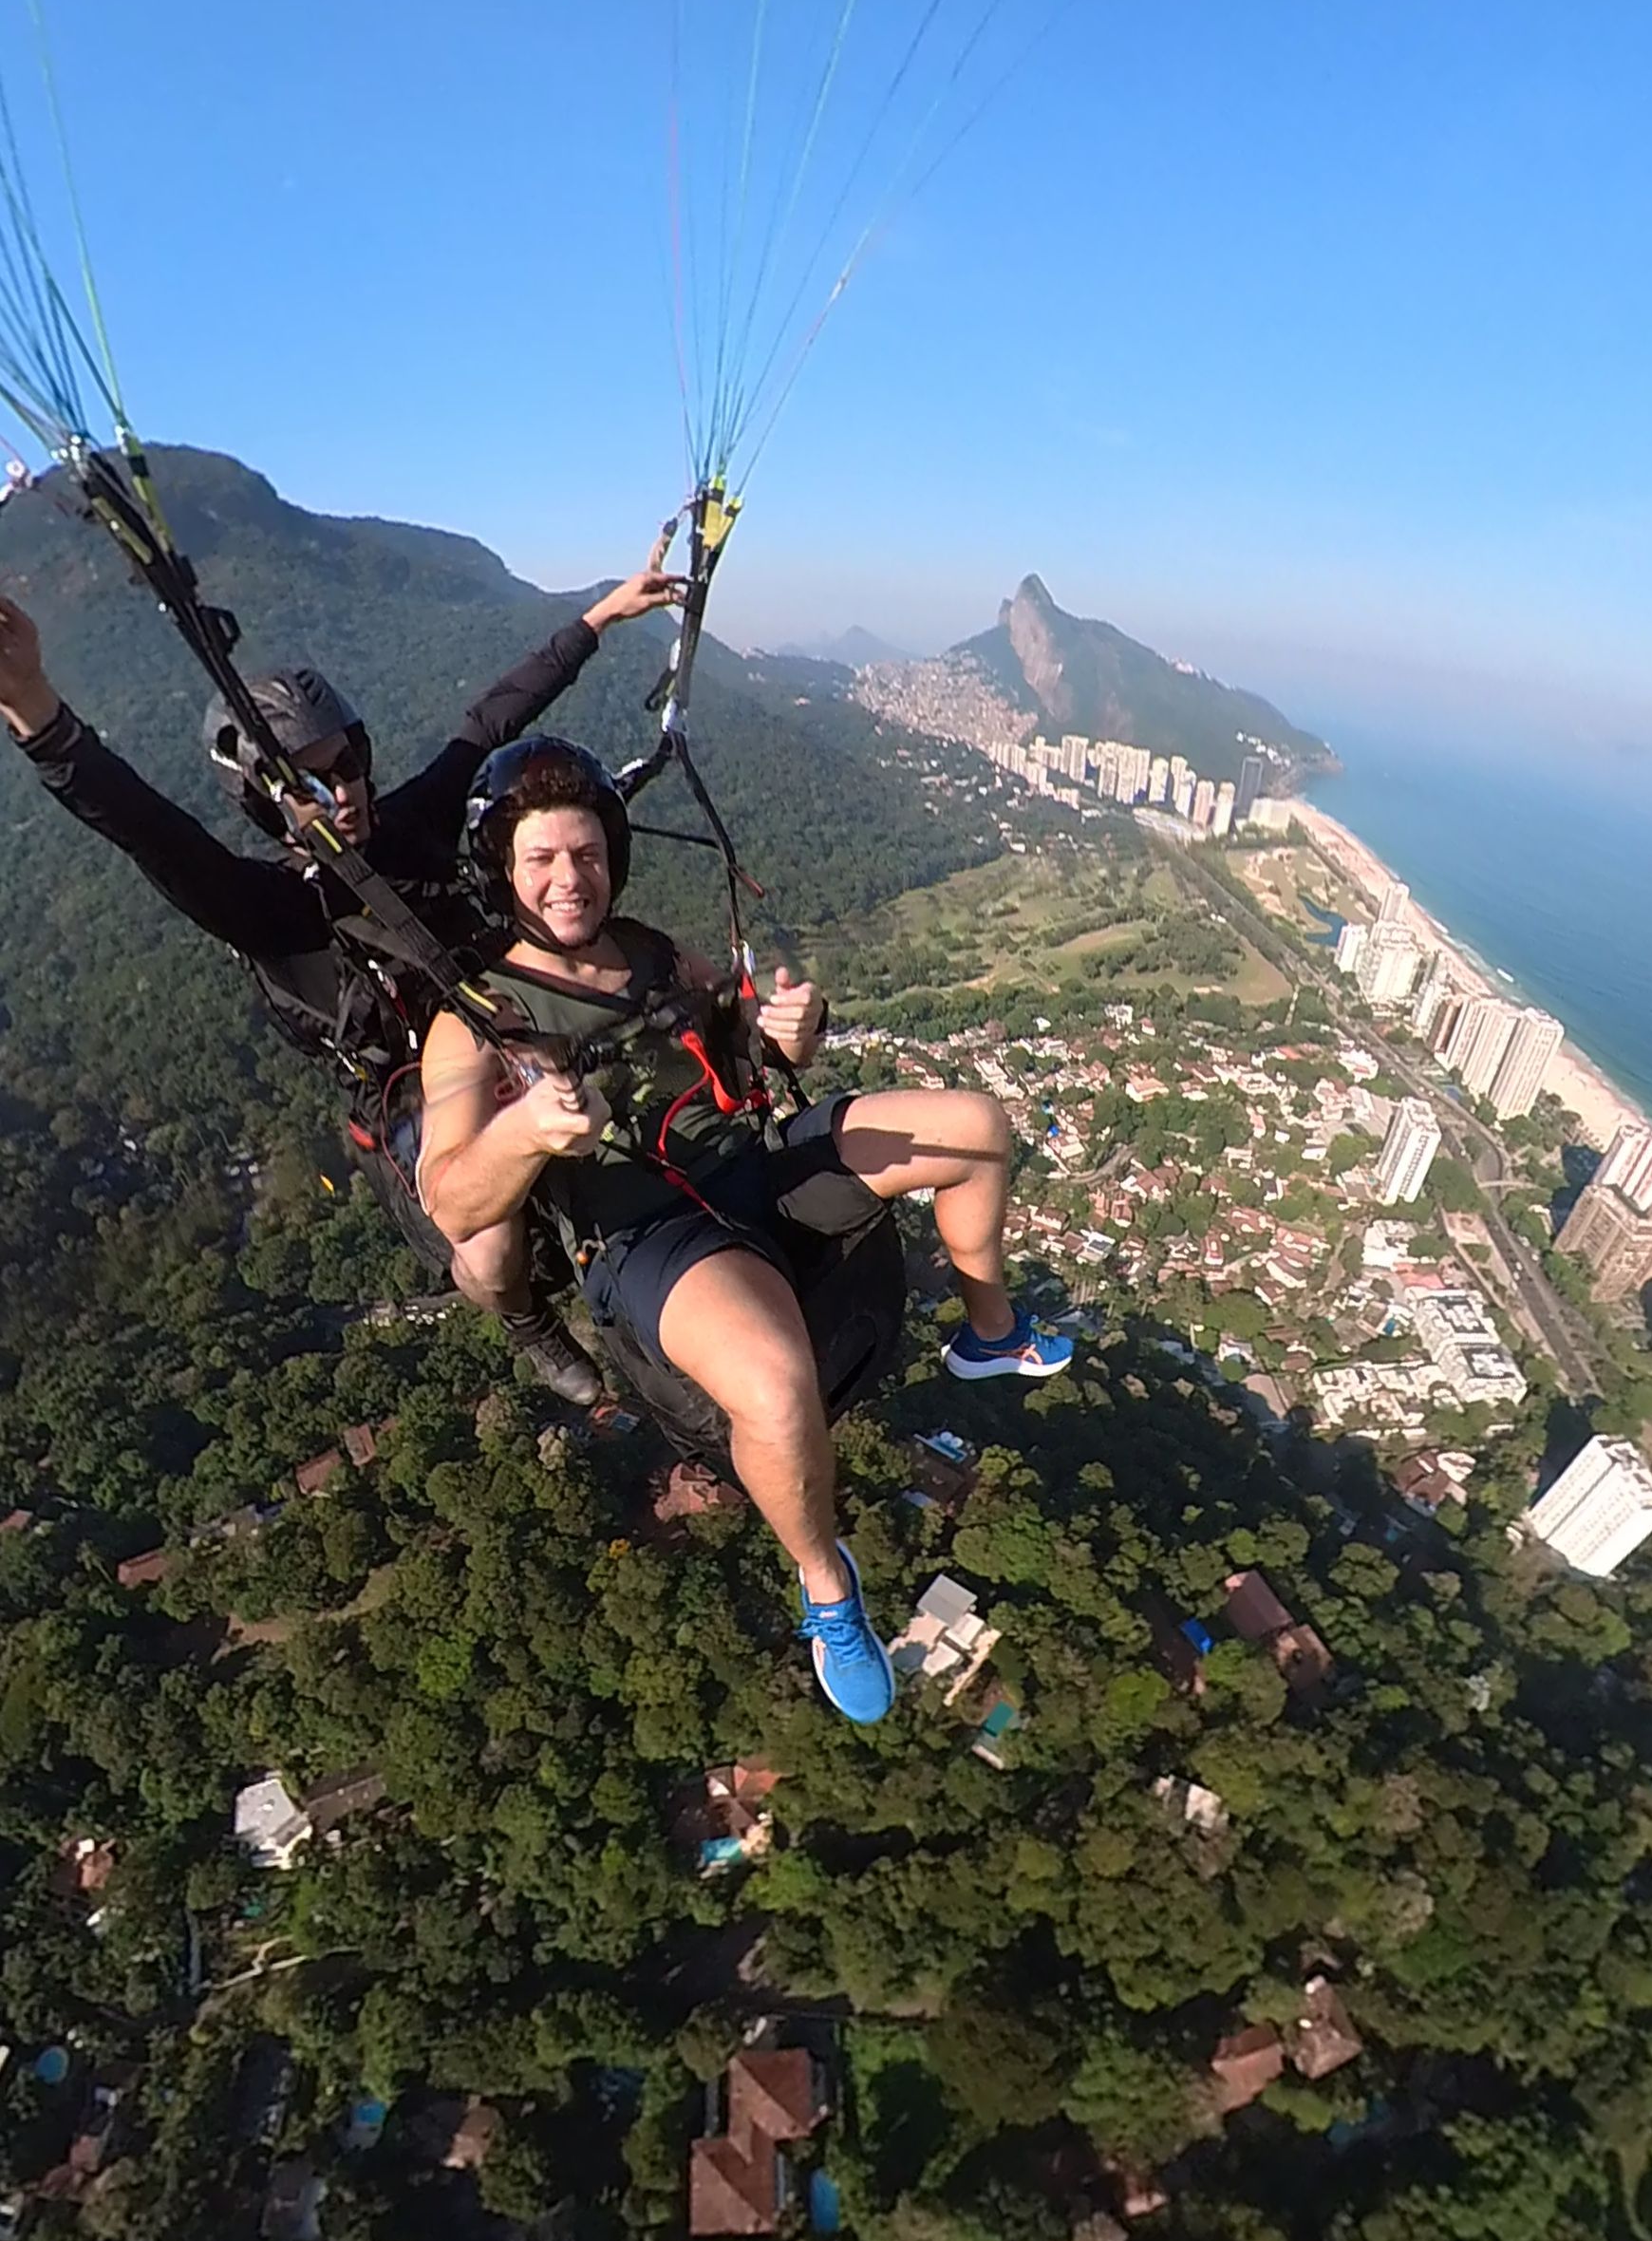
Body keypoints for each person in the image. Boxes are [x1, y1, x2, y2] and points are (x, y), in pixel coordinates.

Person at [415, 735, 1073, 1724]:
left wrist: (789, 1030)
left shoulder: (651, 953)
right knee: (772, 1382)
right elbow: (453, 1201)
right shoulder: (476, 1022)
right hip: (645, 1228)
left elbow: (737, 1043)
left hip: (749, 1162)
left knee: (976, 1129)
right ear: (503, 870)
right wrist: (522, 1131)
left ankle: (989, 1332)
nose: (569, 879)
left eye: (585, 854)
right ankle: (827, 1584)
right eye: (542, 859)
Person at [0, 546, 684, 1401]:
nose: (346, 789)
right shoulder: (267, 910)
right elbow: (145, 826)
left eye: (349, 762)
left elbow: (492, 720)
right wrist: (32, 705)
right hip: (410, 1097)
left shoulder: (408, 822)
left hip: (511, 1026)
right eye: (315, 780)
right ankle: (524, 1318)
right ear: (264, 797)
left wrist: (600, 617)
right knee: (494, 1248)